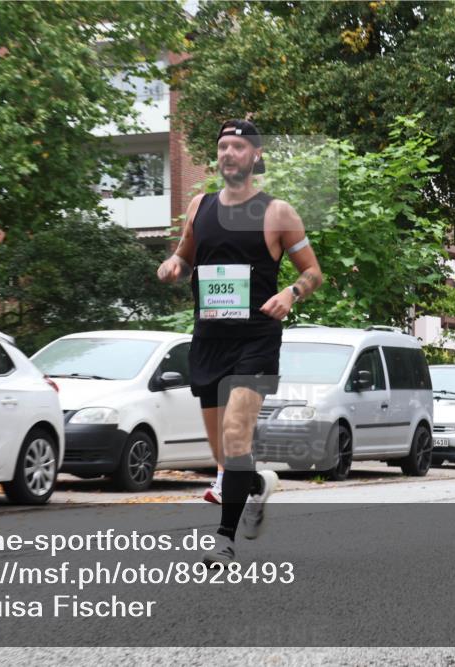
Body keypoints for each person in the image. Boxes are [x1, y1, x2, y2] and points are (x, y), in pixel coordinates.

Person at [157, 119, 323, 564]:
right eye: (222, 146)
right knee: (225, 453)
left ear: (255, 155)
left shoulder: (278, 213)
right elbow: (184, 256)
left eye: (238, 146)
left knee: (235, 434)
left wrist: (290, 293)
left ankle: (224, 538)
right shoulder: (199, 206)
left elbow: (313, 272)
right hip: (209, 339)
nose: (228, 153)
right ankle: (253, 483)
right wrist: (173, 266)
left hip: (256, 339)